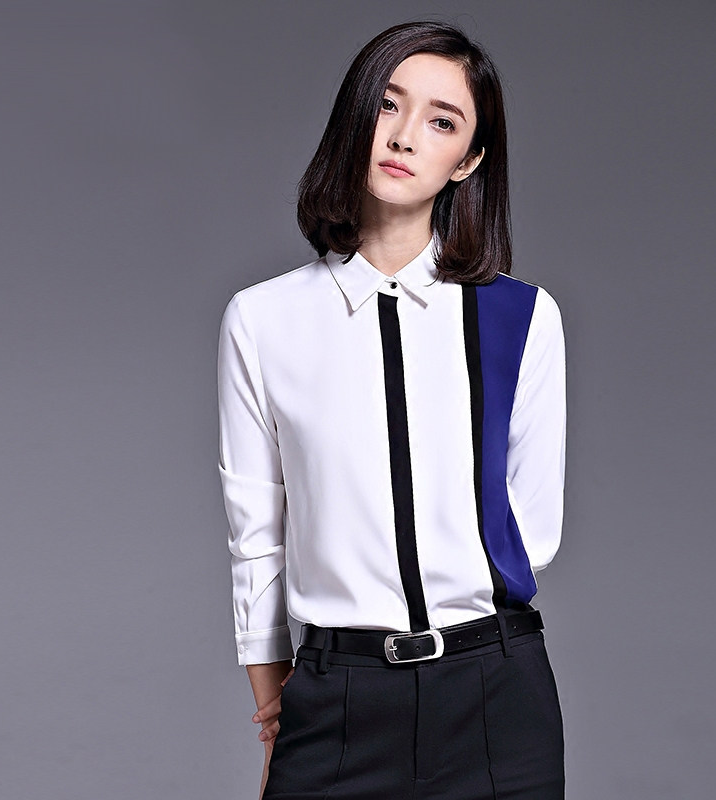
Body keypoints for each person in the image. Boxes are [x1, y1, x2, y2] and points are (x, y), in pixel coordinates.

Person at [217, 20, 567, 800]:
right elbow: (256, 535)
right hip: (337, 698)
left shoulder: (520, 317)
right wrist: (276, 709)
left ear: (468, 160)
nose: (405, 135)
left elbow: (532, 525)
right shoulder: (263, 320)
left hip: (494, 696)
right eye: (388, 104)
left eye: (443, 121)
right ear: (356, 115)